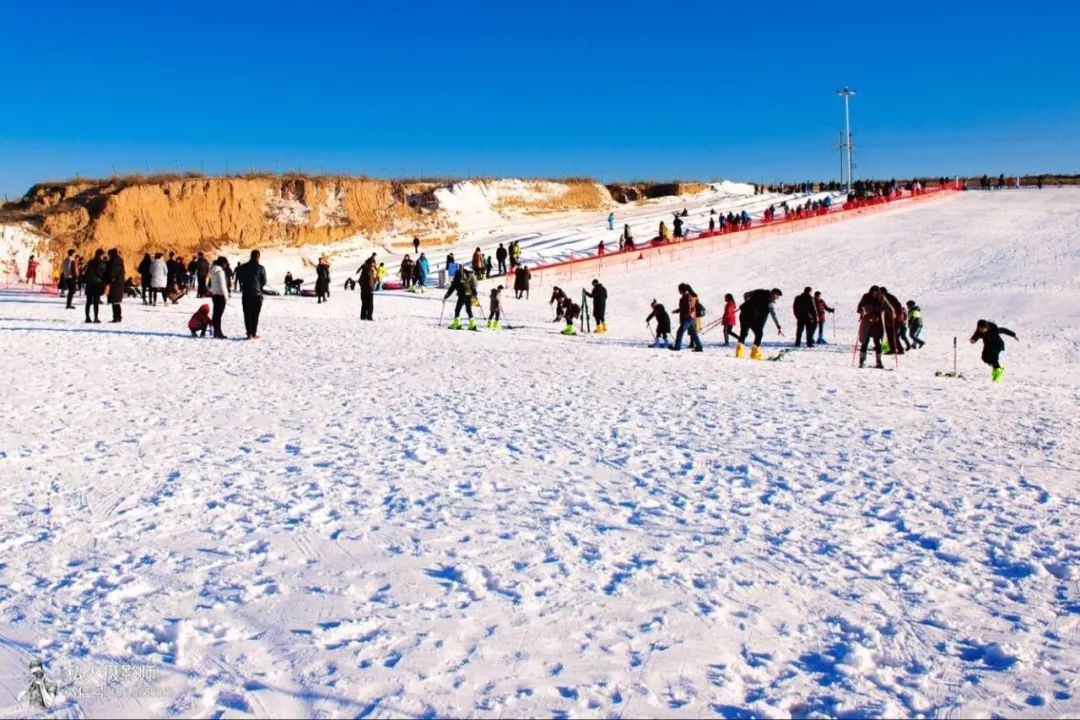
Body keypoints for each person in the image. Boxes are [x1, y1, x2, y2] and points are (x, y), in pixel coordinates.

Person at [736, 288, 783, 359]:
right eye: (778, 296)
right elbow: (773, 315)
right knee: (759, 334)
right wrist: (778, 326)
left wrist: (747, 304)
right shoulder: (769, 303)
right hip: (755, 319)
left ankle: (739, 353)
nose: (778, 298)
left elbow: (746, 294)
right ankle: (755, 354)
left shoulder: (758, 291)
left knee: (743, 333)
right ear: (774, 294)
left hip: (744, 315)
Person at [235, 249, 268, 339]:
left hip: (246, 293)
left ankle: (249, 333)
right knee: (255, 314)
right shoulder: (261, 268)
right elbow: (264, 281)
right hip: (257, 294)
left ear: (251, 256)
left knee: (247, 314)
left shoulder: (243, 267)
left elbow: (240, 278)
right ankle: (253, 333)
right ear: (258, 257)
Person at [856, 286, 890, 369]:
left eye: (876, 292)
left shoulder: (882, 298)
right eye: (873, 292)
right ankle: (862, 361)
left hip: (877, 323)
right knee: (865, 342)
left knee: (877, 343)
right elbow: (859, 307)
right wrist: (862, 311)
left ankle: (879, 361)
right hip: (867, 322)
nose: (874, 294)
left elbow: (888, 308)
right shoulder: (866, 297)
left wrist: (891, 314)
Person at [444, 265, 479, 330]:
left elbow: (452, 288)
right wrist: (475, 293)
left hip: (462, 295)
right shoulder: (467, 277)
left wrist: (447, 295)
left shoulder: (457, 278)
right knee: (468, 309)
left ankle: (457, 324)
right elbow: (471, 286)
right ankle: (472, 324)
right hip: (469, 295)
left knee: (457, 310)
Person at [671, 284, 703, 352]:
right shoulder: (687, 296)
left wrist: (686, 315)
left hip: (688, 318)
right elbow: (684, 308)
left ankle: (677, 347)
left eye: (679, 289)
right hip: (691, 317)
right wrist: (677, 311)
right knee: (693, 333)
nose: (678, 291)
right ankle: (699, 347)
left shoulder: (687, 297)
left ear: (681, 290)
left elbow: (690, 308)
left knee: (680, 332)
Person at [83, 249, 106, 323]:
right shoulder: (102, 263)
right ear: (101, 255)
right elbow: (103, 273)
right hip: (97, 284)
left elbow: (86, 272)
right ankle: (96, 317)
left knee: (88, 301)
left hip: (89, 283)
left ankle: (87, 317)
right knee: (96, 302)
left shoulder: (90, 262)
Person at [209, 257, 229, 338]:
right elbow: (223, 285)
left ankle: (216, 331)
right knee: (218, 316)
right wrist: (226, 296)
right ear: (222, 263)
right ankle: (218, 332)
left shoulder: (213, 271)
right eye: (225, 263)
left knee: (215, 314)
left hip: (214, 294)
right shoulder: (220, 272)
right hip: (220, 295)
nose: (226, 265)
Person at [105, 248, 125, 323]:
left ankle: (116, 317)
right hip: (118, 283)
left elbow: (111, 272)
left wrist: (108, 280)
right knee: (116, 302)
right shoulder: (118, 260)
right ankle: (118, 317)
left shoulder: (114, 261)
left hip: (115, 284)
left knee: (115, 301)